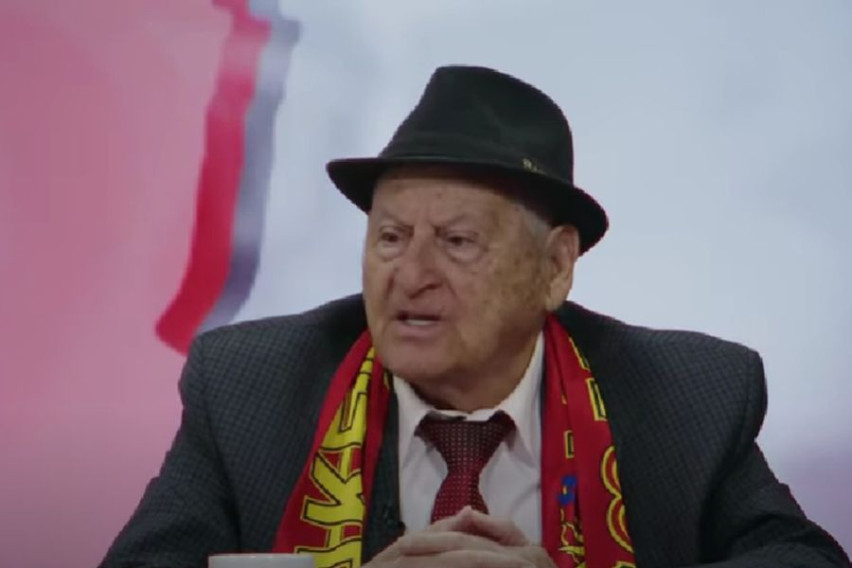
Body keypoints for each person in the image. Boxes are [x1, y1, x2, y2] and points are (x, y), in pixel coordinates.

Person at [100, 65, 849, 568]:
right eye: (390, 238)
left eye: (457, 242)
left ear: (554, 267)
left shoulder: (686, 398)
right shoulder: (249, 390)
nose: (411, 276)